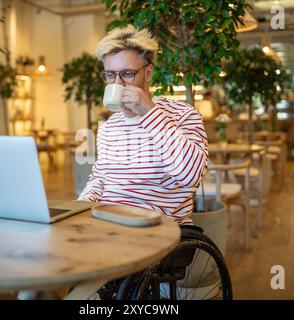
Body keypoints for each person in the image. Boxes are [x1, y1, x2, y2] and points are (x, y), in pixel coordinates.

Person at [78, 25, 208, 224]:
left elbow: (190, 176)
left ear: (147, 73)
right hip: (108, 224)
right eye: (110, 75)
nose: (118, 84)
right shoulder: (110, 125)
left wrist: (149, 112)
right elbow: (100, 177)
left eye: (127, 74)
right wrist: (80, 207)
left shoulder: (183, 115)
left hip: (157, 229)